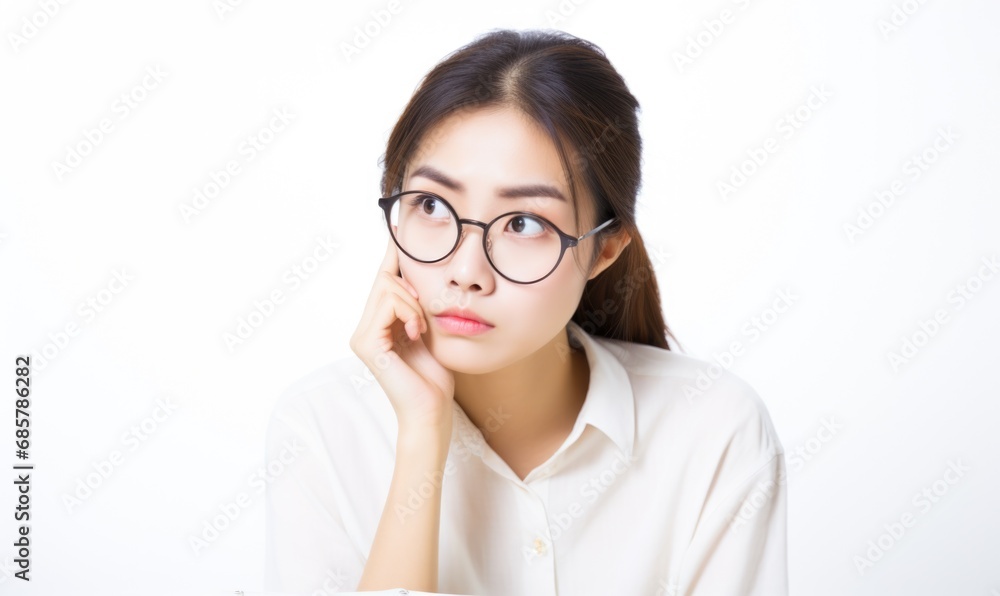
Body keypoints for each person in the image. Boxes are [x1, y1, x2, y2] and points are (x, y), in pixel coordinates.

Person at [264, 28, 787, 596]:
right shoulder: (320, 428)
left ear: (604, 249)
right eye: (433, 205)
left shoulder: (711, 430)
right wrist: (421, 436)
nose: (466, 270)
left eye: (524, 223)